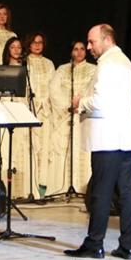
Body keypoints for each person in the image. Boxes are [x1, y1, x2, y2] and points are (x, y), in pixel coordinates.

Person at [65, 24, 131, 260]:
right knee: (126, 193)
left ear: (107, 40)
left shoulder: (108, 64)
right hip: (125, 138)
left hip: (108, 139)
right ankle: (127, 245)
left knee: (101, 192)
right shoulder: (125, 62)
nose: (89, 47)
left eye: (92, 42)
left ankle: (94, 243)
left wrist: (80, 102)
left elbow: (100, 100)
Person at [46, 41, 95, 196]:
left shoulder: (93, 69)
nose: (79, 52)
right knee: (63, 149)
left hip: (84, 116)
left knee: (84, 152)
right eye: (76, 49)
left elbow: (95, 89)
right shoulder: (63, 69)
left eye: (82, 49)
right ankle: (64, 187)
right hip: (66, 115)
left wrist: (81, 104)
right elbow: (54, 90)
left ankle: (83, 188)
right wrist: (68, 105)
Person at [1, 37, 34, 197]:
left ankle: (23, 191)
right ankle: (8, 192)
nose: (16, 50)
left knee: (21, 149)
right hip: (8, 112)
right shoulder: (3, 69)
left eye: (19, 47)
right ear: (8, 50)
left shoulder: (26, 70)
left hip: (22, 112)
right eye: (13, 47)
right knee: (8, 150)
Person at [25, 32, 55, 194]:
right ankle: (31, 185)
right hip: (32, 109)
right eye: (34, 42)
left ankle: (43, 186)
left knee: (45, 147)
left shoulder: (49, 64)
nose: (37, 45)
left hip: (46, 110)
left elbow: (53, 87)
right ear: (29, 44)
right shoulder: (26, 62)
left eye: (40, 42)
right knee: (33, 147)